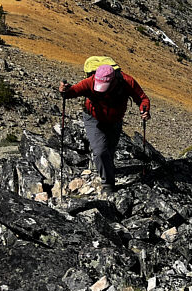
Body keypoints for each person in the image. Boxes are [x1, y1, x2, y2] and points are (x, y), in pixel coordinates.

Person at [59, 63, 150, 194]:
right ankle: (108, 185)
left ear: (113, 80)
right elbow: (70, 93)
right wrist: (64, 90)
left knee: (109, 151)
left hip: (115, 121)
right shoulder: (90, 82)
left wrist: (144, 110)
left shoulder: (126, 81)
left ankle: (107, 170)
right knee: (100, 151)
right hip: (93, 119)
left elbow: (142, 98)